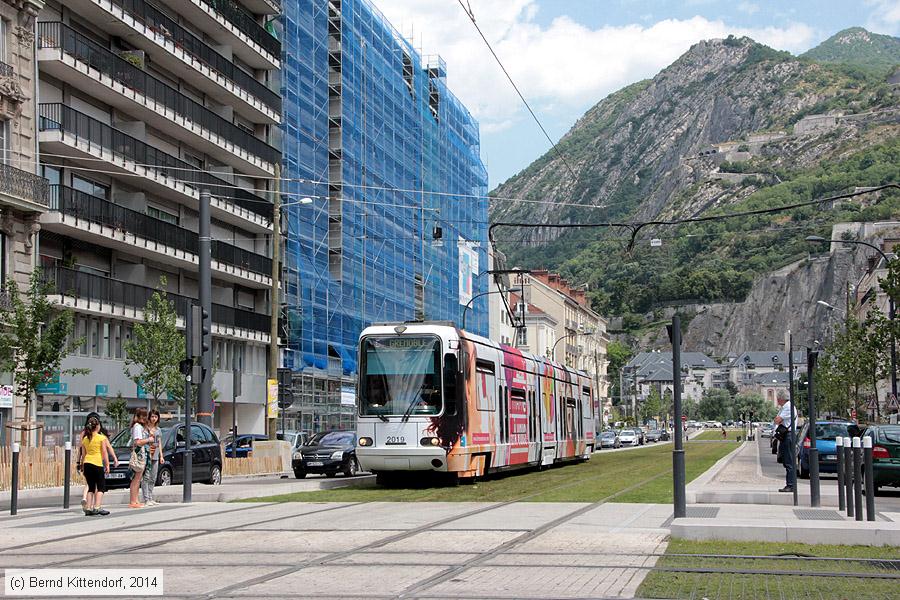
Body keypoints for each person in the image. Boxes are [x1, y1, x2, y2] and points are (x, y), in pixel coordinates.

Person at [76, 412, 117, 512]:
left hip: (87, 464)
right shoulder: (101, 438)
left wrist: (81, 465)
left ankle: (88, 508)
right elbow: (104, 453)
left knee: (91, 488)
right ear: (98, 426)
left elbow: (83, 454)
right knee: (101, 487)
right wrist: (107, 465)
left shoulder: (85, 439)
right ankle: (97, 507)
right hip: (97, 464)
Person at [128, 408, 154, 508]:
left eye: (145, 416)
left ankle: (136, 500)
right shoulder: (137, 427)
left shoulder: (140, 427)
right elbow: (138, 442)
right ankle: (133, 501)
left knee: (138, 478)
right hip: (139, 454)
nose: (145, 418)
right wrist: (148, 439)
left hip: (142, 453)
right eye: (142, 416)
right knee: (137, 478)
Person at [774, 390, 796, 492]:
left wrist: (778, 419)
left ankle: (790, 485)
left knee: (789, 461)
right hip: (786, 436)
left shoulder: (788, 407)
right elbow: (778, 420)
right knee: (786, 460)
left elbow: (777, 420)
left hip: (788, 436)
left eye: (778, 398)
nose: (777, 400)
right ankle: (790, 484)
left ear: (782, 398)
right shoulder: (786, 407)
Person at [141, 409, 164, 506]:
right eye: (152, 416)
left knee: (153, 477)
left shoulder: (158, 430)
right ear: (149, 417)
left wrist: (161, 456)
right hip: (147, 453)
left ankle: (150, 497)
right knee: (146, 477)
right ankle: (146, 498)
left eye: (156, 417)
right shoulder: (145, 429)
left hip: (155, 454)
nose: (154, 418)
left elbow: (159, 443)